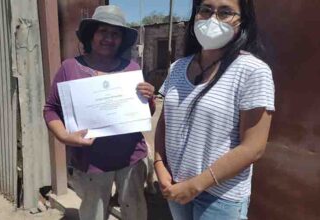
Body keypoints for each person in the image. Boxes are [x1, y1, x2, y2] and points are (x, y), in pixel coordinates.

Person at [154, 0, 275, 219]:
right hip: (175, 185)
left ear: (242, 22)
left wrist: (196, 185)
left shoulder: (253, 71)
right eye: (206, 10)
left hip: (219, 197)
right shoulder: (177, 67)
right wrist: (160, 166)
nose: (212, 19)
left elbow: (253, 147)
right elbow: (165, 123)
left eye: (225, 12)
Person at [43, 5, 154, 220]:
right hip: (92, 162)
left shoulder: (131, 68)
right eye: (103, 31)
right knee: (93, 213)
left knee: (136, 210)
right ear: (91, 35)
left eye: (115, 34)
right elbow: (51, 110)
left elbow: (144, 112)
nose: (108, 38)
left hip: (132, 158)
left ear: (122, 40)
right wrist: (64, 136)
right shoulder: (70, 68)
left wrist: (149, 98)